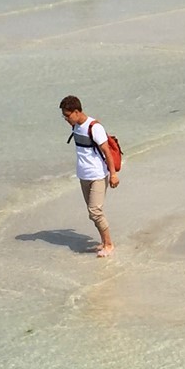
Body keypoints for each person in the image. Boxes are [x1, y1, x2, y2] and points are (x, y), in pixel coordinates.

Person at [60, 95, 117, 256]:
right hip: (83, 176)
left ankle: (109, 244)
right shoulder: (76, 127)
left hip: (98, 175)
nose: (66, 119)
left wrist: (113, 174)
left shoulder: (94, 127)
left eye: (67, 115)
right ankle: (103, 242)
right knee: (93, 213)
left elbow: (107, 151)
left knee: (94, 212)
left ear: (77, 112)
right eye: (64, 115)